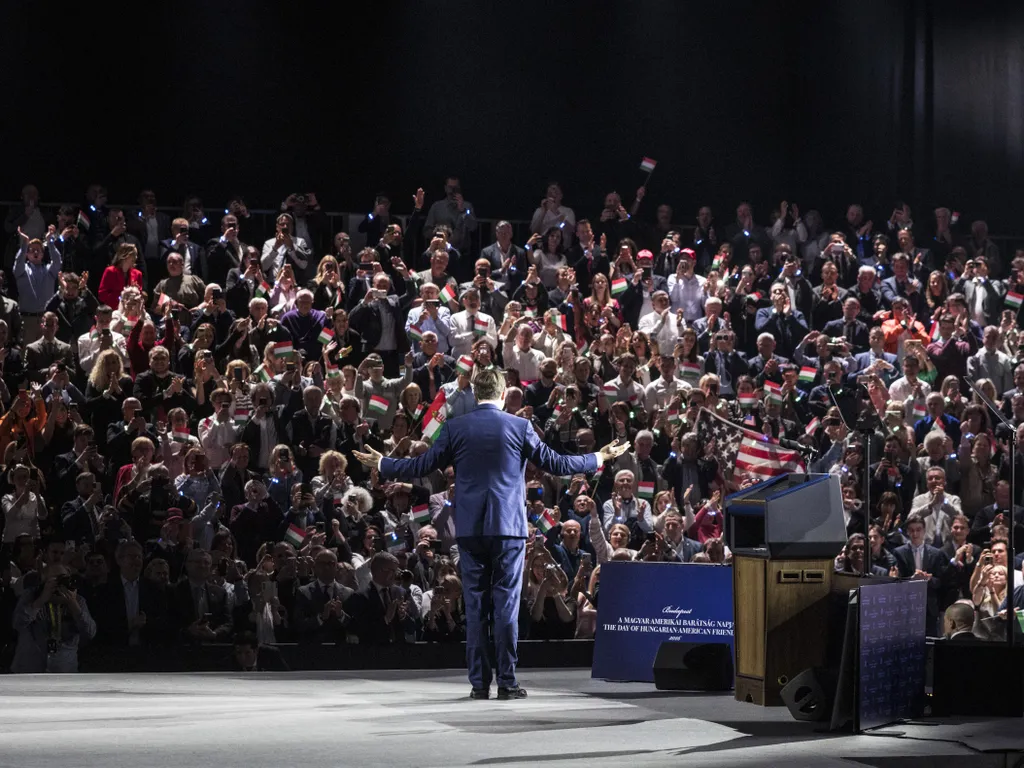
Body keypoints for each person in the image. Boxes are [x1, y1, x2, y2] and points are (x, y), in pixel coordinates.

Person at [351, 367, 627, 699]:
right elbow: (556, 463)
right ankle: (508, 682)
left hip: (470, 529)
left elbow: (421, 466)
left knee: (476, 605)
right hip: (508, 529)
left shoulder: (455, 427)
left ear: (477, 393)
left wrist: (383, 463)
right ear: (501, 392)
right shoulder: (520, 426)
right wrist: (598, 456)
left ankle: (479, 684)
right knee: (506, 606)